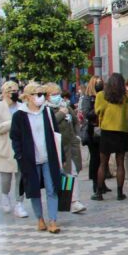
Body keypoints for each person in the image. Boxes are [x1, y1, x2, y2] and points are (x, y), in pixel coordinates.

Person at [10, 83, 62, 233]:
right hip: (30, 159)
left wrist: (60, 156)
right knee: (34, 190)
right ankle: (40, 218)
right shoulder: (19, 115)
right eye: (37, 94)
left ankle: (52, 221)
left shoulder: (47, 112)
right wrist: (19, 155)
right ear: (28, 97)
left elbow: (56, 134)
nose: (40, 97)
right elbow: (15, 138)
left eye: (42, 94)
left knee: (52, 188)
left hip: (48, 157)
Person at [44, 83, 86, 214]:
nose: (57, 97)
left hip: (70, 146)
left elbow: (76, 122)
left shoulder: (66, 106)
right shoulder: (46, 109)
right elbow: (50, 123)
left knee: (71, 172)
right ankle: (67, 201)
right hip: (57, 147)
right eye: (53, 94)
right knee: (63, 174)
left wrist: (77, 136)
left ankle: (73, 201)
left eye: (58, 94)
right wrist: (61, 114)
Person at [0, 81, 28, 217]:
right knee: (6, 178)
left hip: (19, 147)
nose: (15, 93)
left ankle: (19, 203)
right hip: (4, 148)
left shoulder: (22, 106)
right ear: (5, 93)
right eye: (12, 91)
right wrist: (14, 121)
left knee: (20, 177)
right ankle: (5, 196)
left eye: (17, 90)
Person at [92, 73, 128, 201]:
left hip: (107, 131)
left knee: (103, 163)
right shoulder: (126, 97)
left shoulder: (101, 95)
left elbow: (98, 111)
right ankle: (120, 193)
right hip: (122, 131)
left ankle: (99, 192)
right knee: (120, 163)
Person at [79, 76, 106, 195]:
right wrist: (98, 110)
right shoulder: (88, 98)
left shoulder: (104, 96)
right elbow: (87, 113)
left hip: (103, 129)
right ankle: (96, 182)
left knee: (102, 158)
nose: (100, 84)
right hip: (92, 131)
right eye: (98, 83)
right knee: (95, 158)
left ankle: (102, 182)